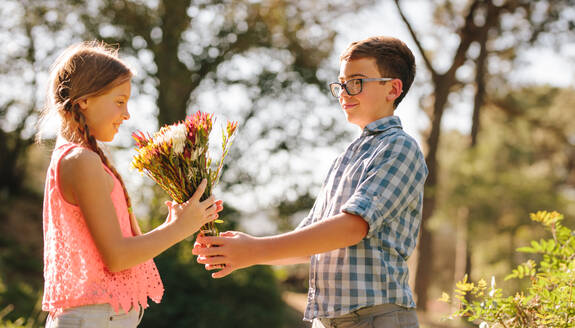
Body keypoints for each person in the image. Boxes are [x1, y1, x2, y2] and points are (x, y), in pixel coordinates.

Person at [193, 36, 428, 328]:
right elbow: (310, 243)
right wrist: (242, 252)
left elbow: (353, 227)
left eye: (356, 81)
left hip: (376, 318)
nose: (344, 92)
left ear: (392, 88)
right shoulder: (345, 158)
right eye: (341, 83)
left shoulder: (399, 147)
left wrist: (255, 249)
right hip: (327, 321)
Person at [37, 41, 222, 328]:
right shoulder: (81, 160)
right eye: (120, 101)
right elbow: (118, 257)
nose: (127, 114)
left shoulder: (81, 158)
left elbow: (117, 246)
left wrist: (172, 223)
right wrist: (180, 228)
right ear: (85, 99)